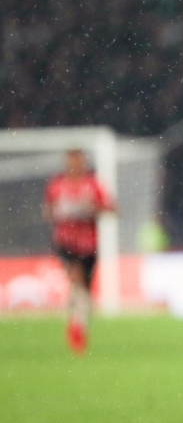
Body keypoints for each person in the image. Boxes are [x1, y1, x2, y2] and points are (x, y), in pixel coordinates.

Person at [42, 149, 114, 355]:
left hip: (89, 245)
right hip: (66, 242)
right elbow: (48, 212)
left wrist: (90, 209)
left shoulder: (92, 184)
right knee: (76, 279)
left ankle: (76, 321)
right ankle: (75, 329)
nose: (74, 166)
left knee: (84, 293)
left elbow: (110, 208)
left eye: (78, 162)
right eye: (71, 162)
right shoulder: (57, 185)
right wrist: (60, 212)